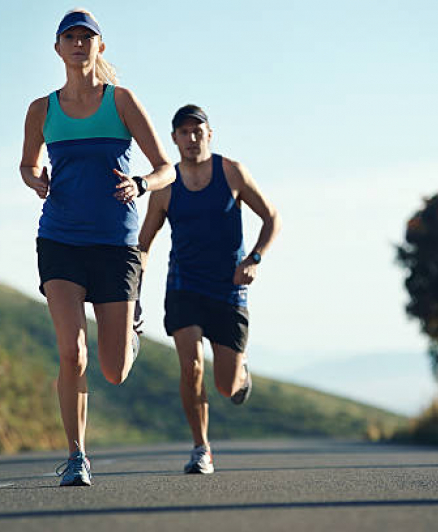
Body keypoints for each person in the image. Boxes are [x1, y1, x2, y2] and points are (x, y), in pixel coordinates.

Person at [19, 9, 175, 487]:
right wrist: (36, 180)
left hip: (116, 245)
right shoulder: (41, 110)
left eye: (88, 37)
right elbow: (26, 166)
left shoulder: (121, 102)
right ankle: (76, 456)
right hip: (61, 239)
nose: (79, 44)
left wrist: (141, 183)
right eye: (71, 37)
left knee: (114, 370)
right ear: (58, 48)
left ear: (99, 47)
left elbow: (165, 167)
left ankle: (132, 327)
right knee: (72, 352)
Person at [138, 104, 281, 474]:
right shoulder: (166, 187)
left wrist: (255, 259)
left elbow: (271, 218)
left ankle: (241, 372)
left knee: (226, 386)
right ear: (174, 138)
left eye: (197, 130)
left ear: (209, 134)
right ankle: (201, 449)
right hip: (184, 285)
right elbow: (144, 243)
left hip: (229, 287)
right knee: (191, 366)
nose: (191, 138)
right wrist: (131, 291)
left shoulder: (231, 172)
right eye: (183, 132)